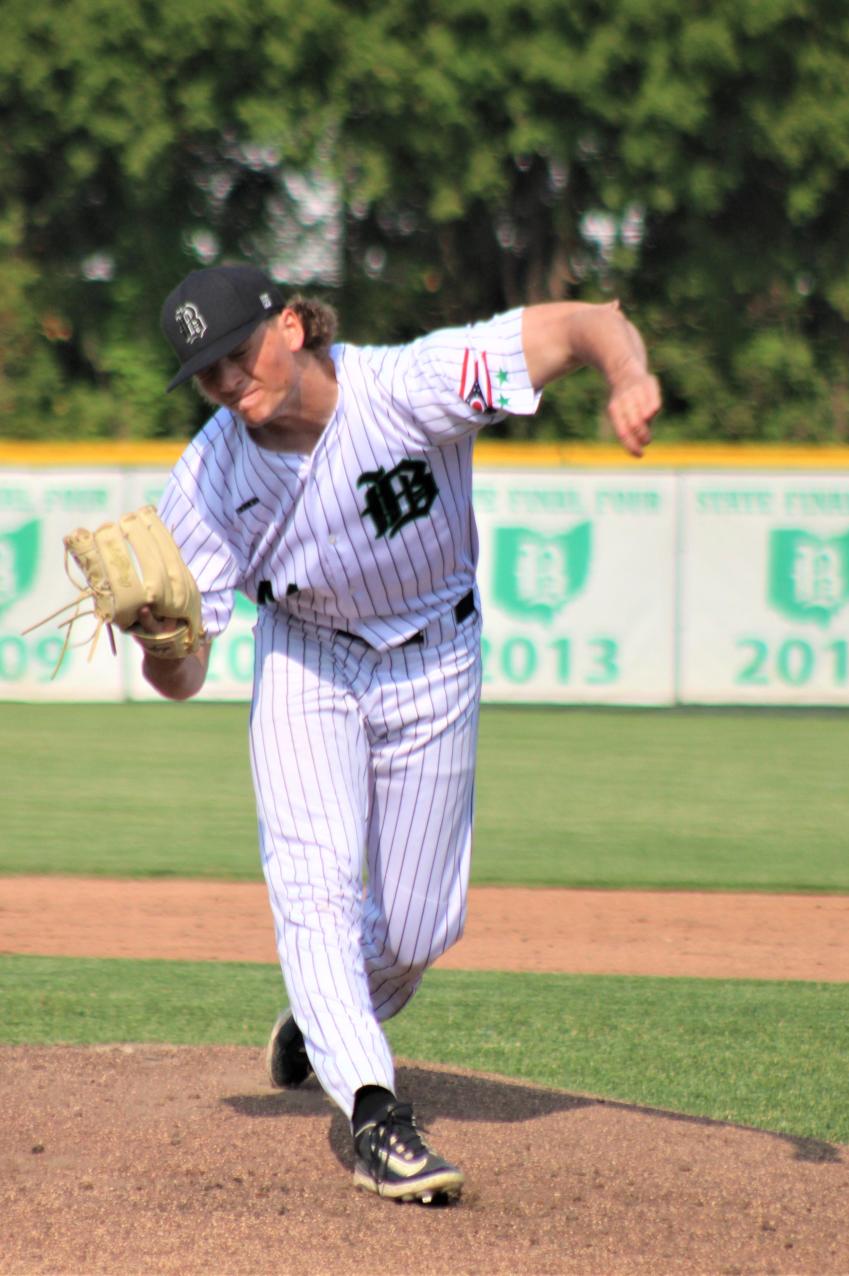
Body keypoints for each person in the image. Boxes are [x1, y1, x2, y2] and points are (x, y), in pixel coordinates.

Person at [144, 263, 661, 1204]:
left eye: (234, 352)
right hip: (309, 662)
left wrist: (626, 374)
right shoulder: (211, 477)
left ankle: (325, 1014)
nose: (223, 381)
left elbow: (586, 323)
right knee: (316, 881)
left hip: (435, 654)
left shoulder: (409, 387)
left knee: (423, 924)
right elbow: (183, 680)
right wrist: (161, 640)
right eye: (204, 371)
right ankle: (376, 1113)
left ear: (293, 324)